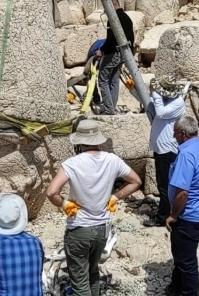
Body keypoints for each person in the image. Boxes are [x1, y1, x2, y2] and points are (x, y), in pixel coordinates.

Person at [46, 120, 142, 296]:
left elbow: (52, 192)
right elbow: (136, 181)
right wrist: (115, 197)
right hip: (102, 228)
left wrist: (64, 204)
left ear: (79, 141)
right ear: (98, 139)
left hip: (79, 228)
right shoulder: (112, 160)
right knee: (93, 273)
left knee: (80, 282)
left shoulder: (72, 163)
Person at [166, 115, 199, 296]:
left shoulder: (186, 155)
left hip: (188, 217)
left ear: (182, 134)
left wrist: (173, 216)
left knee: (187, 262)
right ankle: (175, 287)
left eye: (174, 134)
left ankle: (188, 292)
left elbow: (182, 193)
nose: (174, 137)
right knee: (184, 254)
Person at [143, 77, 186, 228]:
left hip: (167, 149)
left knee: (165, 185)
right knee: (163, 182)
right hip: (160, 148)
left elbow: (160, 112)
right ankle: (167, 212)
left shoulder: (178, 102)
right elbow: (151, 105)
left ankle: (163, 217)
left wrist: (156, 95)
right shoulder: (167, 99)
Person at [95, 0, 134, 115]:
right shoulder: (127, 18)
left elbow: (112, 38)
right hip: (124, 53)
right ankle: (111, 106)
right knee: (114, 80)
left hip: (113, 52)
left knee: (103, 79)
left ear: (113, 6)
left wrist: (102, 50)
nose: (106, 12)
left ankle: (109, 108)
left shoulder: (114, 18)